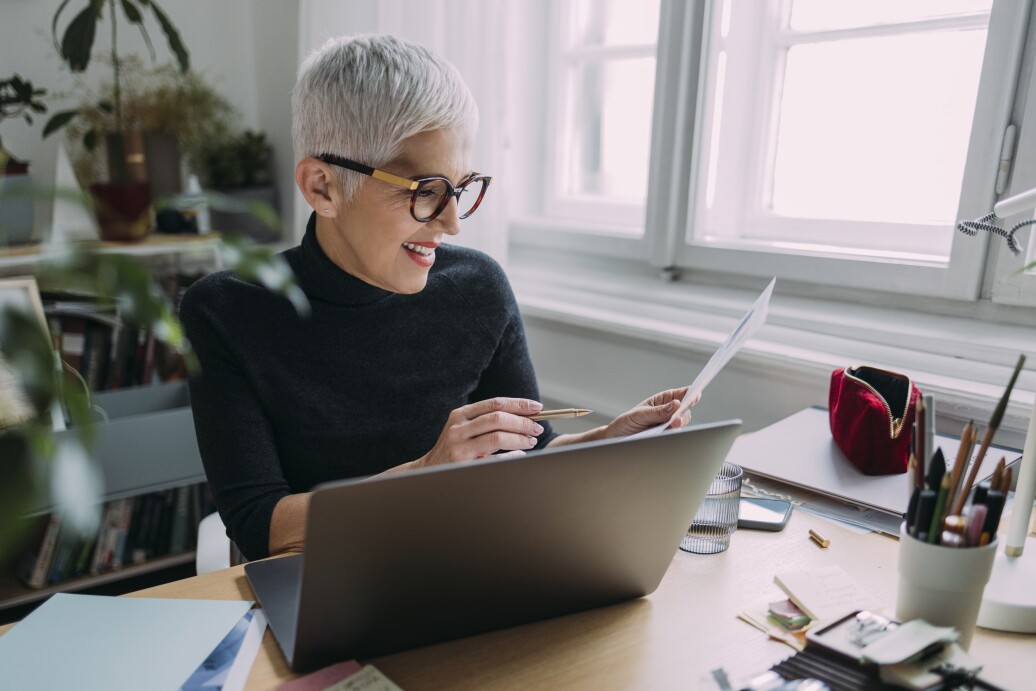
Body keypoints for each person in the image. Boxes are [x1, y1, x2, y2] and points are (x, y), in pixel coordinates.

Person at [180, 34, 694, 562]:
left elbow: (527, 454)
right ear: (323, 188)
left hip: (460, 563)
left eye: (460, 188)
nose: (450, 223)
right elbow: (257, 524)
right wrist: (424, 476)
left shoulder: (477, 286)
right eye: (425, 191)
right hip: (324, 579)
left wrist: (610, 441)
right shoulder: (226, 312)